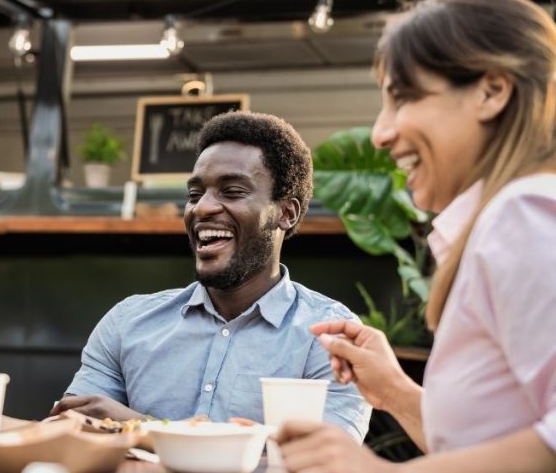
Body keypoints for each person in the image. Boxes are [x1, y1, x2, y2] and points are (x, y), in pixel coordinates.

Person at [276, 0, 556, 472]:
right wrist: (396, 392)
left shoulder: (525, 215)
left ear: (491, 91)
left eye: (403, 98)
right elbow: (499, 447)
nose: (381, 133)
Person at [52, 111, 372, 441]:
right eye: (194, 194)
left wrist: (145, 429)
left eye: (232, 191)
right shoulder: (127, 323)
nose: (201, 208)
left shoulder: (330, 340)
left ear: (286, 213)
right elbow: (73, 433)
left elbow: (325, 461)